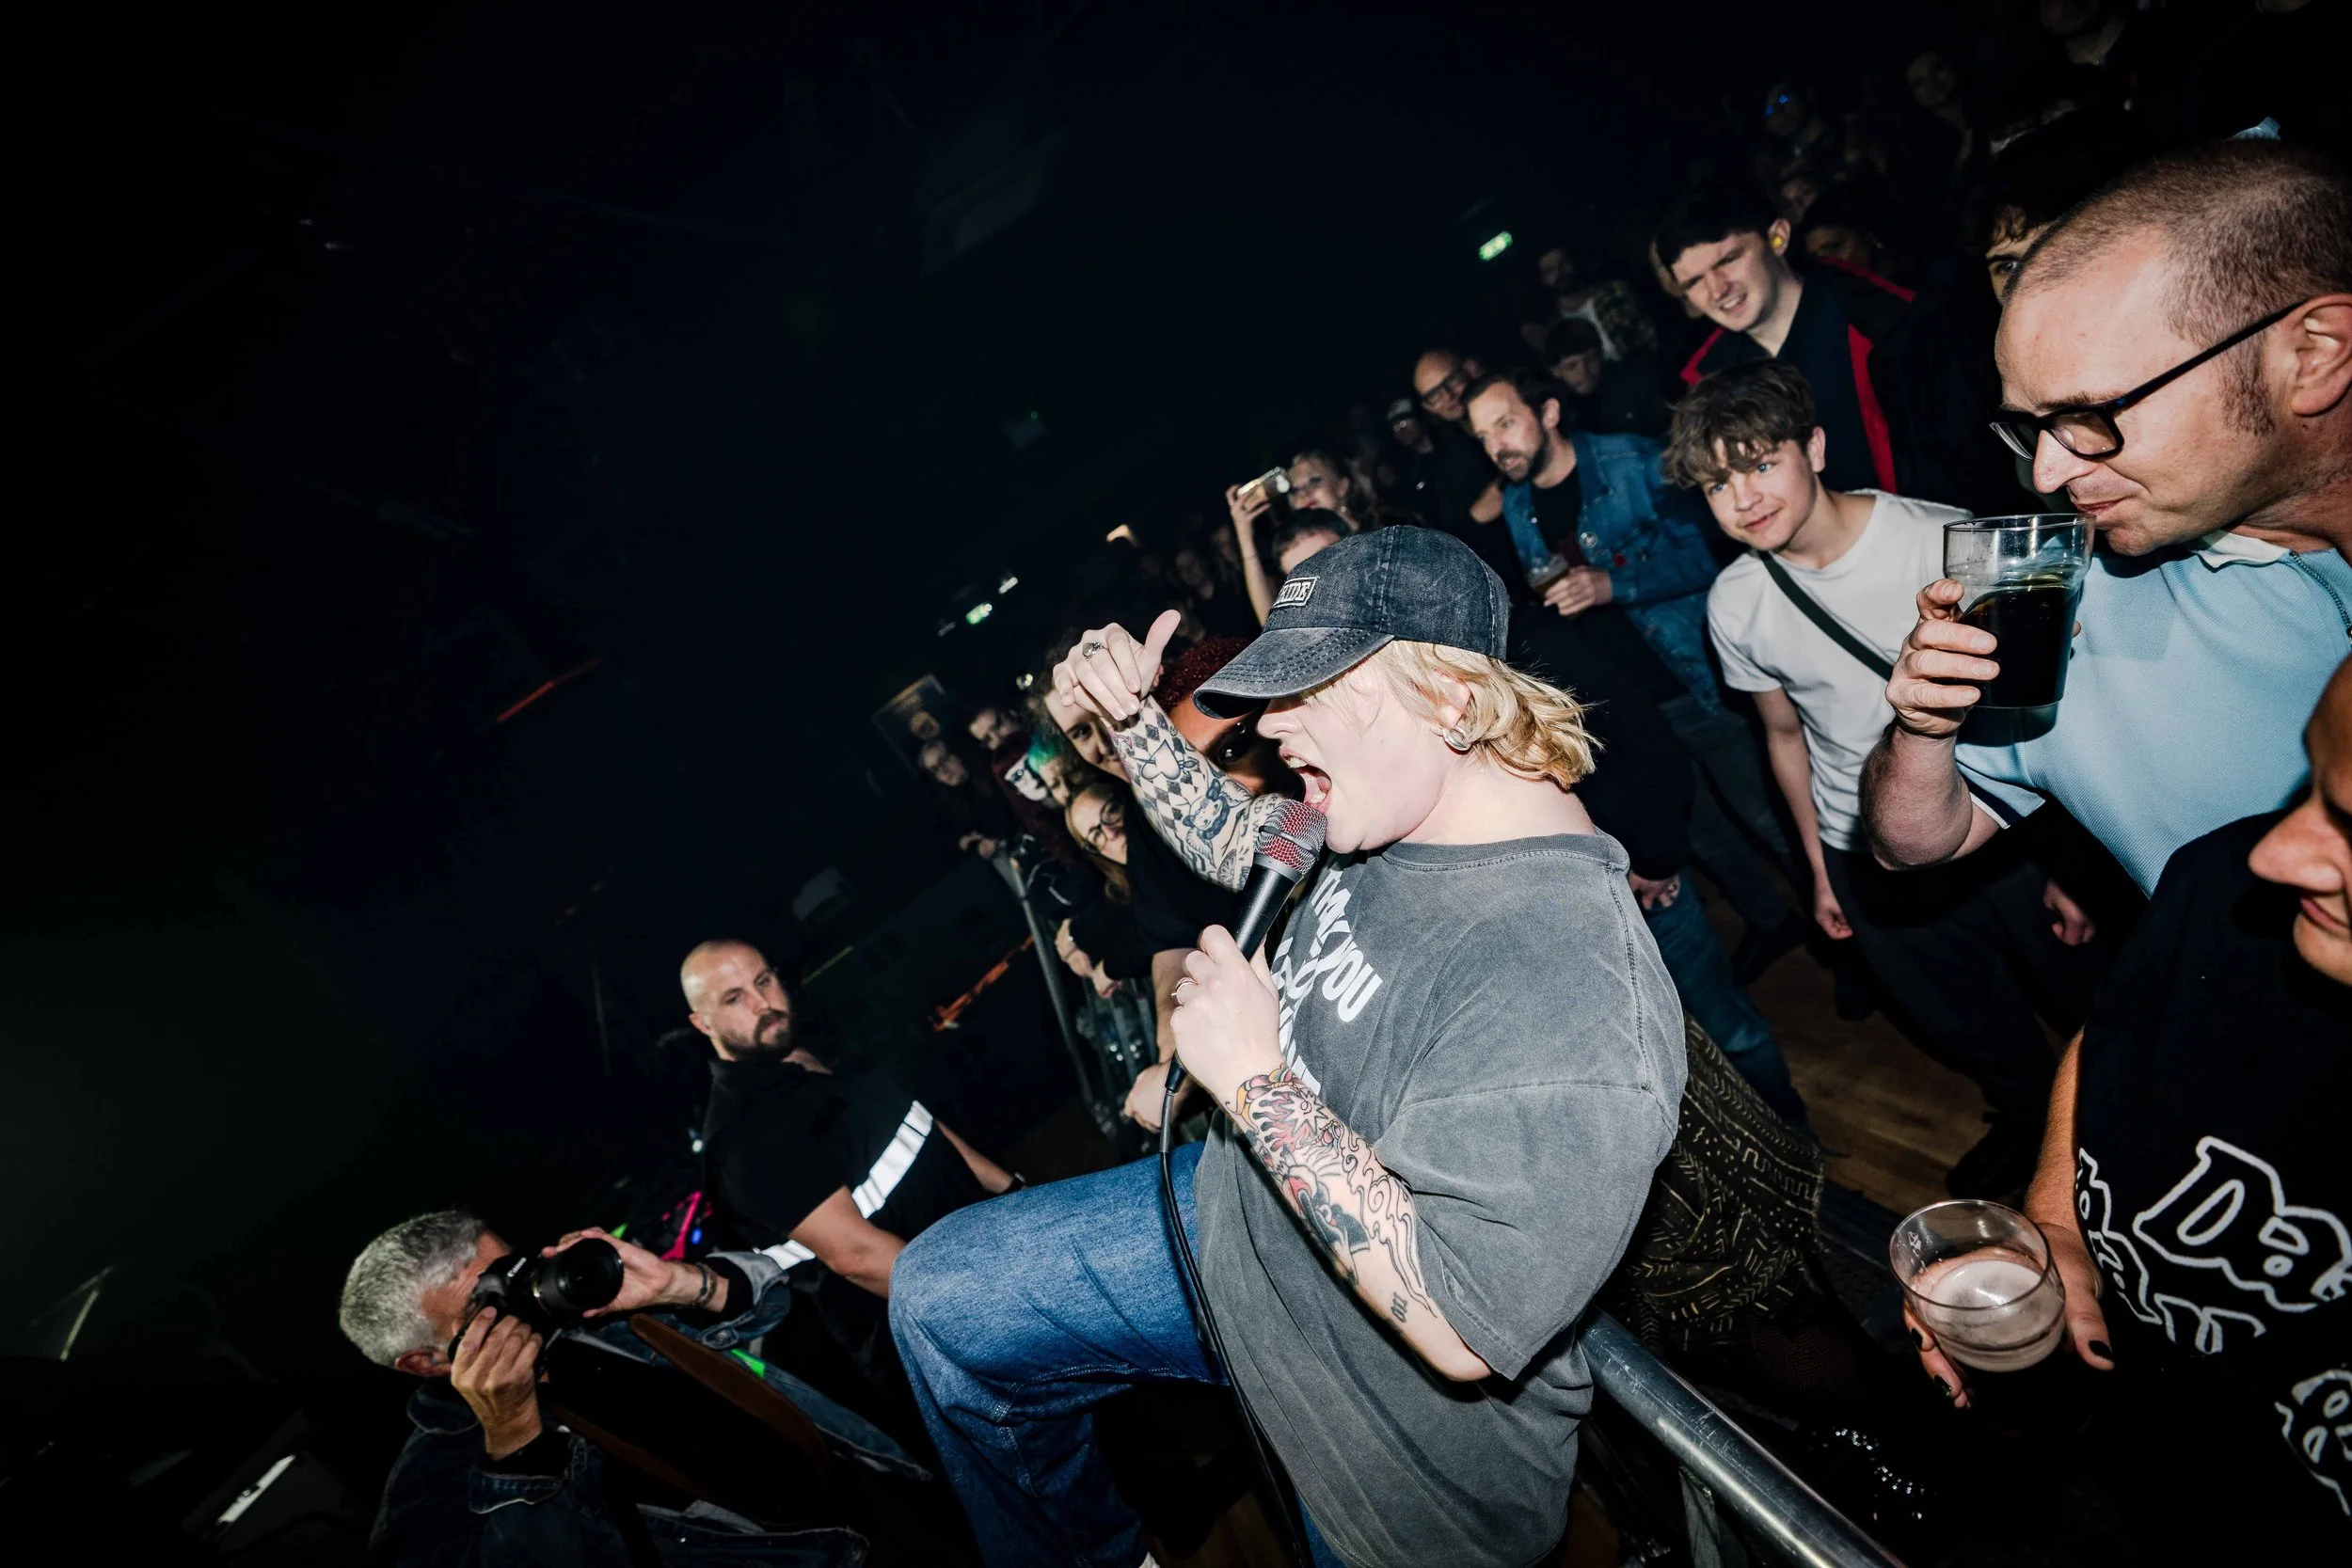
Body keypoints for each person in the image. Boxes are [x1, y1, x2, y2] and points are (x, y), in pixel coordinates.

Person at [890, 528, 1684, 1568]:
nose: (1269, 724)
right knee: (941, 1295)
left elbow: (1455, 1315)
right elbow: (1227, 827)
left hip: (1376, 1426)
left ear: (1451, 697)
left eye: (1310, 689)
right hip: (1231, 1229)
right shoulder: (1377, 821)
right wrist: (1132, 722)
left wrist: (1256, 1079)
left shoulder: (1569, 976)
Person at [1909, 657, 2351, 1550]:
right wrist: (2057, 1224)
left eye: (2351, 823)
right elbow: (2114, 1028)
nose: (2277, 849)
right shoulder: (2229, 882)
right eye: (2312, 784)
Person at [1863, 140, 2352, 896]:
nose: (2048, 472)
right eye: (2030, 427)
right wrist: (1922, 731)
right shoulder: (2066, 603)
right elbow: (1914, 843)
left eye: (2090, 414)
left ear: (2315, 355)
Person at [1673, 360, 2108, 1194]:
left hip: (1996, 825)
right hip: (1863, 844)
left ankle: (2106, 1139)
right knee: (1959, 1014)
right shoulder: (1734, 602)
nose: (1744, 497)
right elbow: (1782, 735)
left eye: (1761, 462)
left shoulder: (1940, 537)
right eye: (1718, 483)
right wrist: (1820, 867)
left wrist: (2069, 859)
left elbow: (2038, 713)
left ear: (1817, 446)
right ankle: (2024, 1119)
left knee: (2087, 993)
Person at [1466, 366, 1808, 981]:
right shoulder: (1518, 505)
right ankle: (1771, 919)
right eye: (1484, 436)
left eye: (1506, 423)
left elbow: (1713, 551)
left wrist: (1611, 584)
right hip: (1622, 704)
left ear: (1547, 412)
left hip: (1691, 678)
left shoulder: (1634, 461)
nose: (1498, 446)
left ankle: (1842, 928)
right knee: (1696, 830)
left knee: (1766, 812)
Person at [342, 1213, 932, 1565]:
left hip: (888, 1495)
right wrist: (515, 1439)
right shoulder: (429, 1489)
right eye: (488, 1301)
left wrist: (681, 1284)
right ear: (424, 1362)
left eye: (514, 1270)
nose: (525, 1299)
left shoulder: (588, 1313)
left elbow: (775, 1303)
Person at [683, 940, 1012, 1381]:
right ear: (702, 1024)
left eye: (763, 980)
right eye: (734, 997)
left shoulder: (815, 1046)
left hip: (998, 1253)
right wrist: (992, 1297)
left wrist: (1015, 1192)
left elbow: (921, 1126)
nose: (763, 1003)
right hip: (950, 1335)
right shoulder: (742, 1140)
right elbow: (859, 1255)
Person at [1659, 179, 2010, 515]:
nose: (1717, 289)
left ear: (1778, 238)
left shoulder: (1891, 322)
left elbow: (1978, 465)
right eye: (1693, 282)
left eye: (1727, 260)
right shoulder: (1710, 381)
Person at [1545, 317, 1671, 439]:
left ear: (1600, 355)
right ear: (1556, 371)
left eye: (1591, 359)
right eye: (1572, 366)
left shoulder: (1634, 381)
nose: (1584, 371)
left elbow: (1662, 429)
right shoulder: (1555, 410)